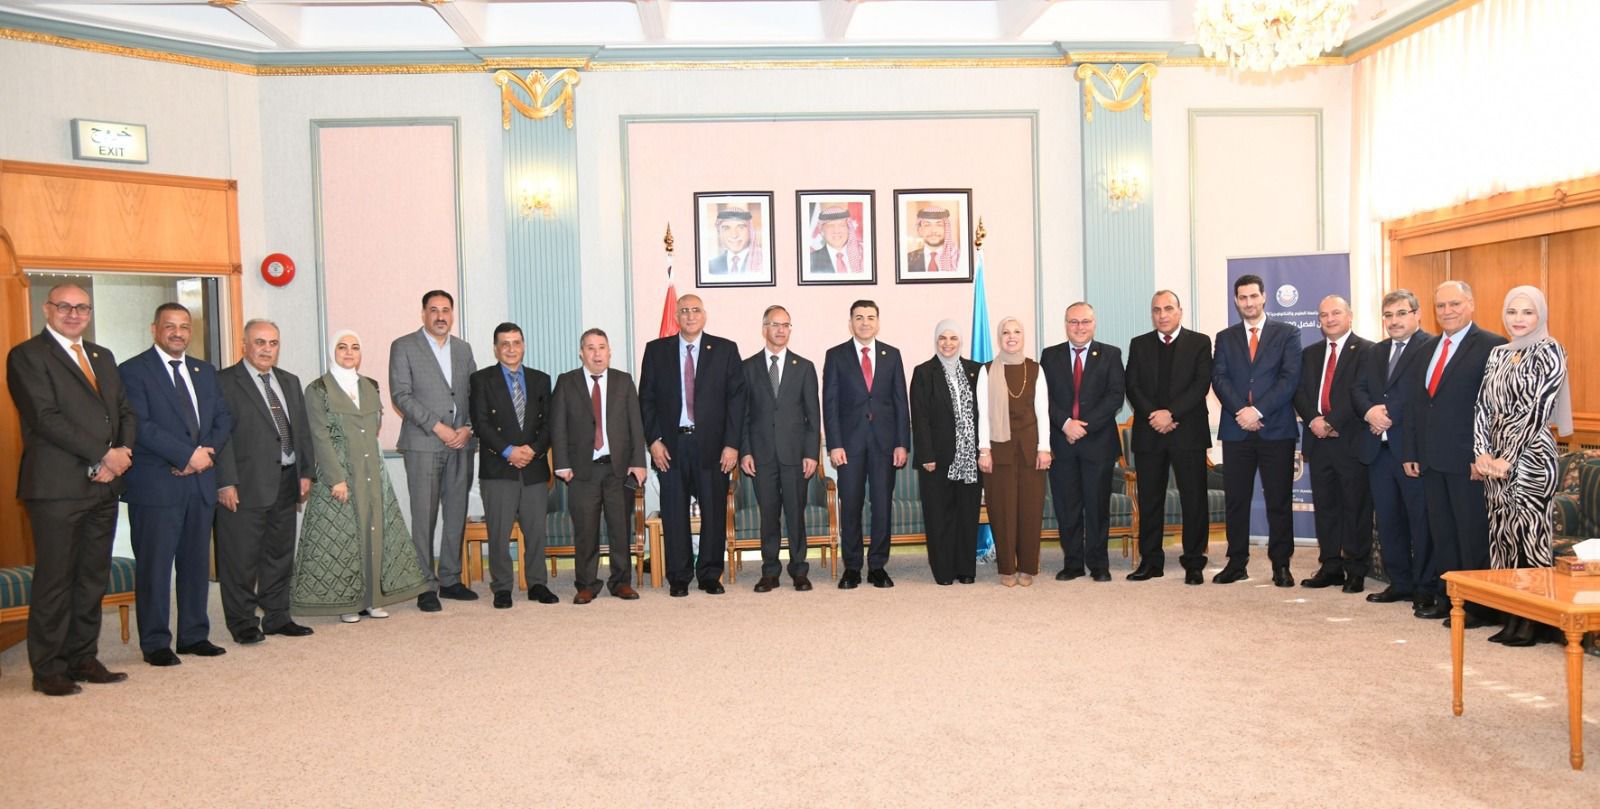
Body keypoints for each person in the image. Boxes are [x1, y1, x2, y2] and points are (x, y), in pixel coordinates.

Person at [6, 284, 136, 695]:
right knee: (56, 580)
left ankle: (83, 658)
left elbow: (124, 411)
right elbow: (45, 418)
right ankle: (48, 669)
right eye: (64, 306)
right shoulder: (27, 356)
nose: (74, 313)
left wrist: (121, 454)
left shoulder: (102, 356)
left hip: (103, 488)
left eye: (82, 307)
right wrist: (103, 455)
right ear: (48, 310)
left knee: (92, 578)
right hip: (57, 488)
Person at [119, 302, 233, 666]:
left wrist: (204, 455)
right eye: (170, 326)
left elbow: (222, 418)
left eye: (184, 326)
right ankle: (155, 642)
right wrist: (186, 456)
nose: (178, 333)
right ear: (155, 329)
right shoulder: (132, 371)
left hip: (200, 483)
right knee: (155, 567)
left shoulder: (204, 370)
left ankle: (193, 635)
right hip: (157, 485)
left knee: (196, 563)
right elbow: (140, 426)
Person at [293, 330, 428, 622]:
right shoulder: (318, 389)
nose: (349, 352)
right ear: (333, 351)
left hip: (372, 473)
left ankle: (373, 599)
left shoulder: (370, 386)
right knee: (344, 538)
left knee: (374, 534)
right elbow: (319, 436)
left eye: (354, 347)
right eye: (342, 347)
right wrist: (336, 478)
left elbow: (373, 430)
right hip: (340, 472)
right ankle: (348, 604)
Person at [1404, 280, 1508, 626]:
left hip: (1470, 462)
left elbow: (1496, 409)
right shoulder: (1426, 348)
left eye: (1455, 304)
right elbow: (1418, 404)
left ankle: (1479, 607)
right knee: (1443, 534)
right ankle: (1451, 600)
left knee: (1471, 534)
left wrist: (1484, 455)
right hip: (1432, 459)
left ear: (1471, 304)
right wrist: (1411, 450)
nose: (1447, 311)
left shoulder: (1493, 345)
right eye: (1441, 306)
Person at [1472, 285, 1571, 647]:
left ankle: (1534, 619)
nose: (1518, 319)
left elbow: (1538, 410)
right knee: (1502, 538)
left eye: (1527, 312)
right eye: (1512, 311)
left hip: (1532, 458)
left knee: (1530, 538)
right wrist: (1482, 452)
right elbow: (1483, 406)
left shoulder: (1550, 350)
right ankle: (1510, 614)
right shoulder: (1498, 353)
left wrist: (1507, 457)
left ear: (1540, 315)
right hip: (1495, 460)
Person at [214, 319, 316, 644]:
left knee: (279, 555)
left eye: (273, 343)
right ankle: (243, 623)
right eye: (259, 342)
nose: (266, 349)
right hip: (244, 484)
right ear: (244, 344)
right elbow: (219, 437)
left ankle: (277, 616)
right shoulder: (224, 382)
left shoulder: (289, 381)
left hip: (286, 480)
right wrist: (225, 481)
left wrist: (305, 472)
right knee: (240, 559)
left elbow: (301, 430)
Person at [639, 294, 746, 597]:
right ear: (676, 317)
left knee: (714, 510)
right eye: (684, 311)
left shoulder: (725, 350)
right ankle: (679, 576)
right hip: (671, 446)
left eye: (695, 310)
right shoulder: (656, 350)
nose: (689, 315)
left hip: (713, 446)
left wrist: (732, 444)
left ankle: (710, 574)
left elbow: (737, 401)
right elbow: (646, 399)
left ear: (704, 315)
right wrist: (653, 441)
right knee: (674, 512)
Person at [1211, 274, 1302, 586]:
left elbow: (1290, 378)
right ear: (1236, 301)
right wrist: (1241, 411)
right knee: (1236, 501)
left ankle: (1281, 565)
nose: (1248, 302)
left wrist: (1258, 410)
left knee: (1279, 500)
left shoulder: (1287, 333)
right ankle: (1237, 563)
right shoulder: (1225, 337)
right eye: (1243, 298)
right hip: (1237, 430)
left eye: (1253, 296)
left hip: (1276, 429)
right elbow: (1219, 377)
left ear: (1264, 297)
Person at [390, 289, 476, 612]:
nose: (440, 316)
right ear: (423, 314)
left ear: (452, 314)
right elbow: (401, 395)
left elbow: (475, 393)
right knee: (424, 516)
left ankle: (450, 579)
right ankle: (425, 584)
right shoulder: (404, 346)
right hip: (424, 443)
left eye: (445, 310)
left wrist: (468, 428)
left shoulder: (463, 349)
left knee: (455, 513)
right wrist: (438, 427)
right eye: (434, 310)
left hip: (461, 444)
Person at [1351, 290, 1435, 608]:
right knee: (1388, 521)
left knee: (1420, 522)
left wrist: (1386, 415)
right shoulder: (1376, 351)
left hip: (1412, 450)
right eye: (1388, 315)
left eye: (1401, 313)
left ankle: (1424, 587)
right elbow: (1357, 389)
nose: (1394, 320)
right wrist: (1369, 412)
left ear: (1417, 314)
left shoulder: (1431, 347)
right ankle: (1399, 583)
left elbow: (1422, 393)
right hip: (1378, 451)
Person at [1123, 290, 1213, 584]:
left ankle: (1194, 561)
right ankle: (1151, 561)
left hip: (1188, 432)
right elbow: (1132, 386)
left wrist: (1171, 414)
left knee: (1194, 500)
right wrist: (1155, 415)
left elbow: (1201, 384)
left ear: (1180, 311)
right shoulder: (1139, 344)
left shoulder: (1200, 342)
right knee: (1150, 500)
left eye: (1168, 308)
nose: (1162, 315)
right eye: (1156, 310)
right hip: (1150, 433)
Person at [551, 329, 647, 604]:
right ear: (581, 353)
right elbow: (558, 426)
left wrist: (638, 462)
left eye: (602, 347)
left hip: (618, 469)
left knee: (620, 528)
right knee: (586, 529)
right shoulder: (567, 382)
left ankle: (621, 582)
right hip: (582, 470)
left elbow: (635, 424)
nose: (597, 353)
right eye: (591, 348)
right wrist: (561, 464)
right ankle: (586, 584)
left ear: (609, 351)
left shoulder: (623, 381)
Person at [468, 322, 557, 609]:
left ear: (523, 346)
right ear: (496, 349)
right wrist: (509, 451)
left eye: (516, 342)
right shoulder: (481, 380)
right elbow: (480, 423)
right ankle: (502, 587)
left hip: (533, 467)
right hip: (498, 468)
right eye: (504, 344)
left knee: (536, 531)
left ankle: (537, 583)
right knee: (499, 532)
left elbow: (550, 423)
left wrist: (532, 449)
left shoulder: (541, 380)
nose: (511, 349)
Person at [823, 300, 910, 589]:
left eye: (870, 317)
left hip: (885, 444)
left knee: (882, 506)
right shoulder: (836, 356)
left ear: (878, 322)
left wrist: (902, 443)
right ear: (851, 323)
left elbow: (900, 402)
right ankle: (852, 567)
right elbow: (830, 404)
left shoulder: (892, 355)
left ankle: (877, 566)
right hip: (849, 445)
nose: (865, 323)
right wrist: (834, 444)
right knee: (851, 506)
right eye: (859, 317)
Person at [1292, 296, 1373, 593]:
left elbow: (1359, 393)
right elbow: (1299, 391)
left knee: (1355, 507)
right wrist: (1314, 419)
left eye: (1336, 313)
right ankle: (1330, 566)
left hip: (1350, 440)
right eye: (1324, 315)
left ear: (1350, 316)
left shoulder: (1367, 351)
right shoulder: (1310, 353)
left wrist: (1331, 422)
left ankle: (1356, 568)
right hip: (1318, 441)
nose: (1330, 319)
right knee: (1326, 507)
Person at [739, 305, 821, 592]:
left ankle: (799, 570)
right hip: (761, 455)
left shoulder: (804, 367)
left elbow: (813, 416)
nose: (781, 330)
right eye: (775, 324)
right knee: (769, 515)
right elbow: (742, 415)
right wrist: (745, 451)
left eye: (785, 325)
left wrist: (812, 453)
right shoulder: (748, 367)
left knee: (796, 515)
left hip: (795, 456)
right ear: (765, 329)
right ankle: (770, 571)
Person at [1041, 304, 1124, 583]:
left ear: (1094, 323)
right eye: (1073, 322)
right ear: (1066, 324)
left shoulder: (1111, 354)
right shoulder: (1050, 355)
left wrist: (1082, 426)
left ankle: (1099, 564)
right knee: (1068, 507)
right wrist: (1066, 424)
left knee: (1097, 507)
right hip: (1062, 442)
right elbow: (1043, 398)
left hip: (1097, 443)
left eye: (1085, 321)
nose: (1079, 327)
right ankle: (1073, 563)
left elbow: (1115, 396)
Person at [980, 317, 1055, 586]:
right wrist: (984, 450)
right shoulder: (987, 370)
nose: (1011, 337)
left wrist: (1044, 448)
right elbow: (983, 415)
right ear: (999, 338)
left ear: (1023, 337)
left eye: (1016, 332)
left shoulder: (1035, 369)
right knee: (1002, 510)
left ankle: (1027, 567)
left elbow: (1043, 412)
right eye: (1005, 332)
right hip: (998, 450)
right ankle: (1007, 569)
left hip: (1030, 450)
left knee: (1030, 510)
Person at [909, 320, 982, 586]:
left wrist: (985, 450)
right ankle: (943, 571)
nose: (947, 343)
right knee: (939, 516)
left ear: (960, 341)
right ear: (936, 341)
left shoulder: (976, 371)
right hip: (936, 459)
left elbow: (984, 414)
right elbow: (920, 417)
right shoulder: (923, 372)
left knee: (967, 514)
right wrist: (926, 455)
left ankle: (965, 569)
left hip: (970, 458)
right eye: (942, 338)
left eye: (953, 338)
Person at [904, 206, 958, 274]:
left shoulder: (957, 259)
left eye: (939, 225)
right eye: (927, 225)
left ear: (946, 229)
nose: (933, 230)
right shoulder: (907, 260)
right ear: (920, 230)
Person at [809, 206, 856, 275]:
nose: (836, 231)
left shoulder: (863, 257)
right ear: (821, 231)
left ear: (849, 228)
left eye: (842, 225)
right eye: (830, 226)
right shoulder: (810, 261)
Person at [708, 208, 756, 275]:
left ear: (750, 231)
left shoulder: (763, 262)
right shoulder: (711, 266)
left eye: (741, 227)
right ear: (719, 233)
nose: (734, 235)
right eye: (726, 228)